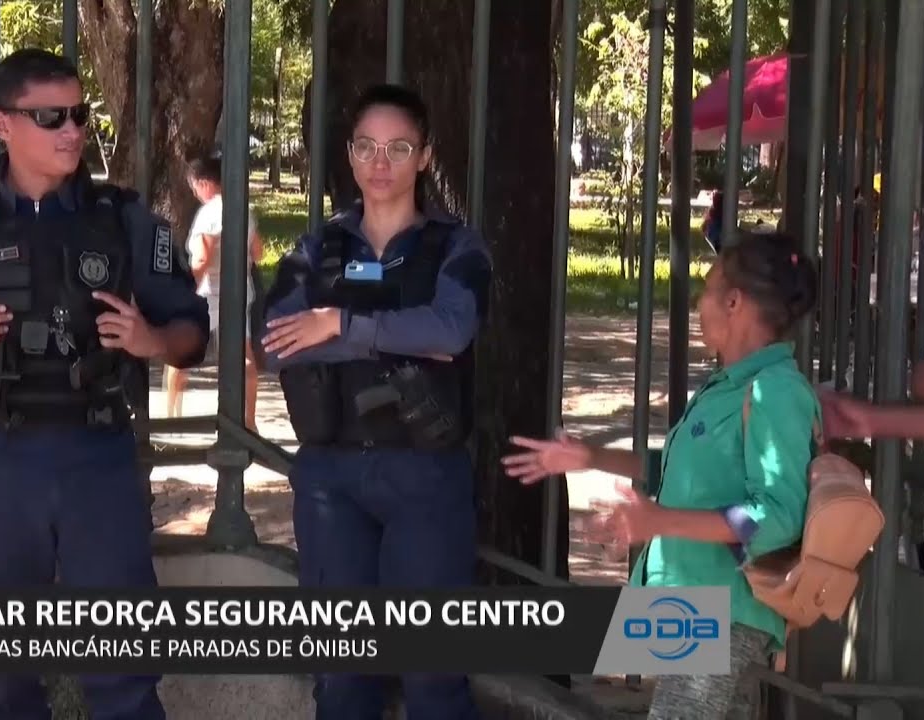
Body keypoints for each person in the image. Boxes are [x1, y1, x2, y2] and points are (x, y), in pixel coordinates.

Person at [0, 48, 209, 720]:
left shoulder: (123, 220)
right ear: (1, 124)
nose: (72, 130)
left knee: (124, 670)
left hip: (100, 460)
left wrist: (153, 342)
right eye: (50, 116)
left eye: (79, 114)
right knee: (4, 671)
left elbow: (191, 328)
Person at [503, 230, 820, 720]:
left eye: (709, 287)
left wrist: (659, 522)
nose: (700, 302)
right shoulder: (729, 388)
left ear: (734, 302)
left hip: (723, 609)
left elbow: (777, 516)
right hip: (696, 601)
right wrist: (588, 456)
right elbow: (675, 472)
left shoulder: (774, 393)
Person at [261, 83, 492, 720]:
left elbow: (451, 331)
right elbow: (272, 345)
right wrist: (397, 337)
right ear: (350, 153)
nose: (380, 162)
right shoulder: (318, 249)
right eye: (366, 146)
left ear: (424, 156)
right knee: (340, 674)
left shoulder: (456, 248)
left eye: (397, 147)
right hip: (330, 475)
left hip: (424, 473)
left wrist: (339, 323)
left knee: (432, 674)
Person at [163, 153, 264, 429]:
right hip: (240, 290)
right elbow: (259, 252)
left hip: (207, 292)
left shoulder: (209, 213)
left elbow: (202, 259)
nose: (195, 192)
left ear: (204, 183)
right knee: (244, 358)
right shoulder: (243, 209)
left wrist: (188, 288)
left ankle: (171, 416)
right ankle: (249, 421)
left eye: (194, 186)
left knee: (180, 352)